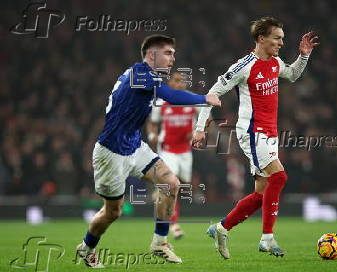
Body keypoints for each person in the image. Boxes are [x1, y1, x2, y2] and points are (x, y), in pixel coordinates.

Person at [76, 34, 220, 267]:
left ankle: (160, 243)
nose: (173, 58)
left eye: (173, 53)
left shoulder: (144, 76)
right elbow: (171, 96)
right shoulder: (140, 74)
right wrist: (205, 98)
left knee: (171, 183)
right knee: (113, 212)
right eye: (168, 53)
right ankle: (86, 246)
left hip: (134, 146)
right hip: (111, 153)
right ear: (152, 55)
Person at [193, 17, 319, 259]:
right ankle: (267, 239)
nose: (282, 43)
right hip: (252, 132)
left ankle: (220, 228)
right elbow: (212, 93)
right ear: (261, 38)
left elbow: (292, 75)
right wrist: (200, 129)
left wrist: (303, 56)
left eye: (282, 38)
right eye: (277, 38)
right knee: (280, 176)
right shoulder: (244, 66)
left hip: (270, 133)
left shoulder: (274, 62)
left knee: (262, 194)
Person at [147, 71, 198, 240]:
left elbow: (207, 120)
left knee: (181, 187)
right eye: (176, 81)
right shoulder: (160, 103)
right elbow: (152, 125)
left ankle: (160, 198)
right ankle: (173, 224)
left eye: (182, 81)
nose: (179, 84)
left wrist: (198, 132)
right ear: (170, 83)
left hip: (185, 151)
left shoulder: (194, 102)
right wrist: (152, 136)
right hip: (167, 150)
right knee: (172, 184)